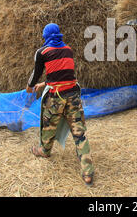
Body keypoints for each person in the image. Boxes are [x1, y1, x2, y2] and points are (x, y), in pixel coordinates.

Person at [26, 23, 94, 186]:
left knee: (48, 125)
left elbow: (36, 73)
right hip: (73, 95)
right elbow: (64, 74)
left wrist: (30, 87)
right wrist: (44, 84)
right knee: (79, 133)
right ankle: (88, 172)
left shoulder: (42, 52)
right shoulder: (68, 50)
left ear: (46, 36)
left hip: (55, 98)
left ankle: (44, 151)